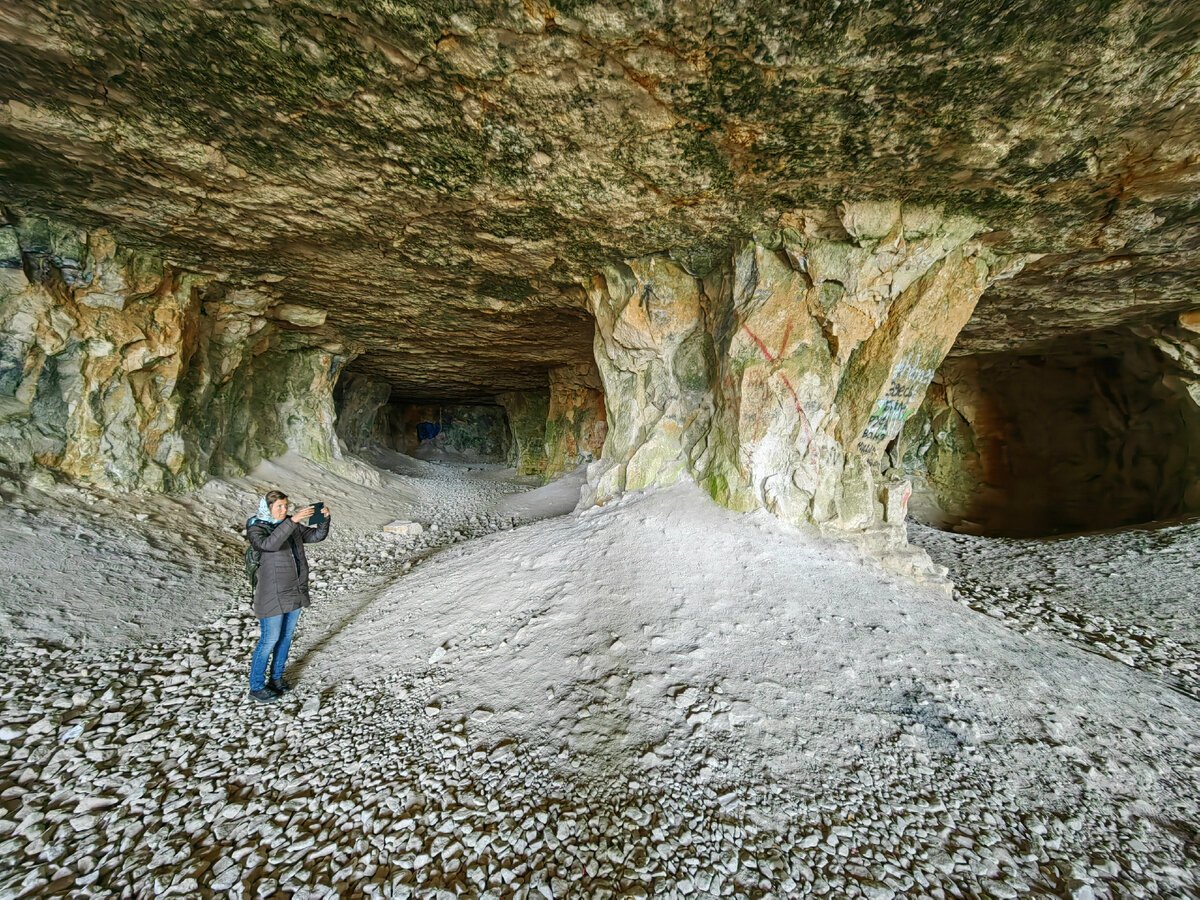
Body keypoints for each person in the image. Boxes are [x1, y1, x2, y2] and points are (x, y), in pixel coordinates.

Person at [245, 490, 332, 703]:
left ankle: (276, 679)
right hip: (272, 594)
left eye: (286, 506)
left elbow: (315, 536)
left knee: (285, 638)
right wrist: (292, 521)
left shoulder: (289, 525)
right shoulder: (257, 527)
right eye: (279, 507)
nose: (284, 510)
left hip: (294, 590)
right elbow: (269, 545)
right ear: (268, 509)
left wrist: (324, 520)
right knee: (269, 639)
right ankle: (256, 686)